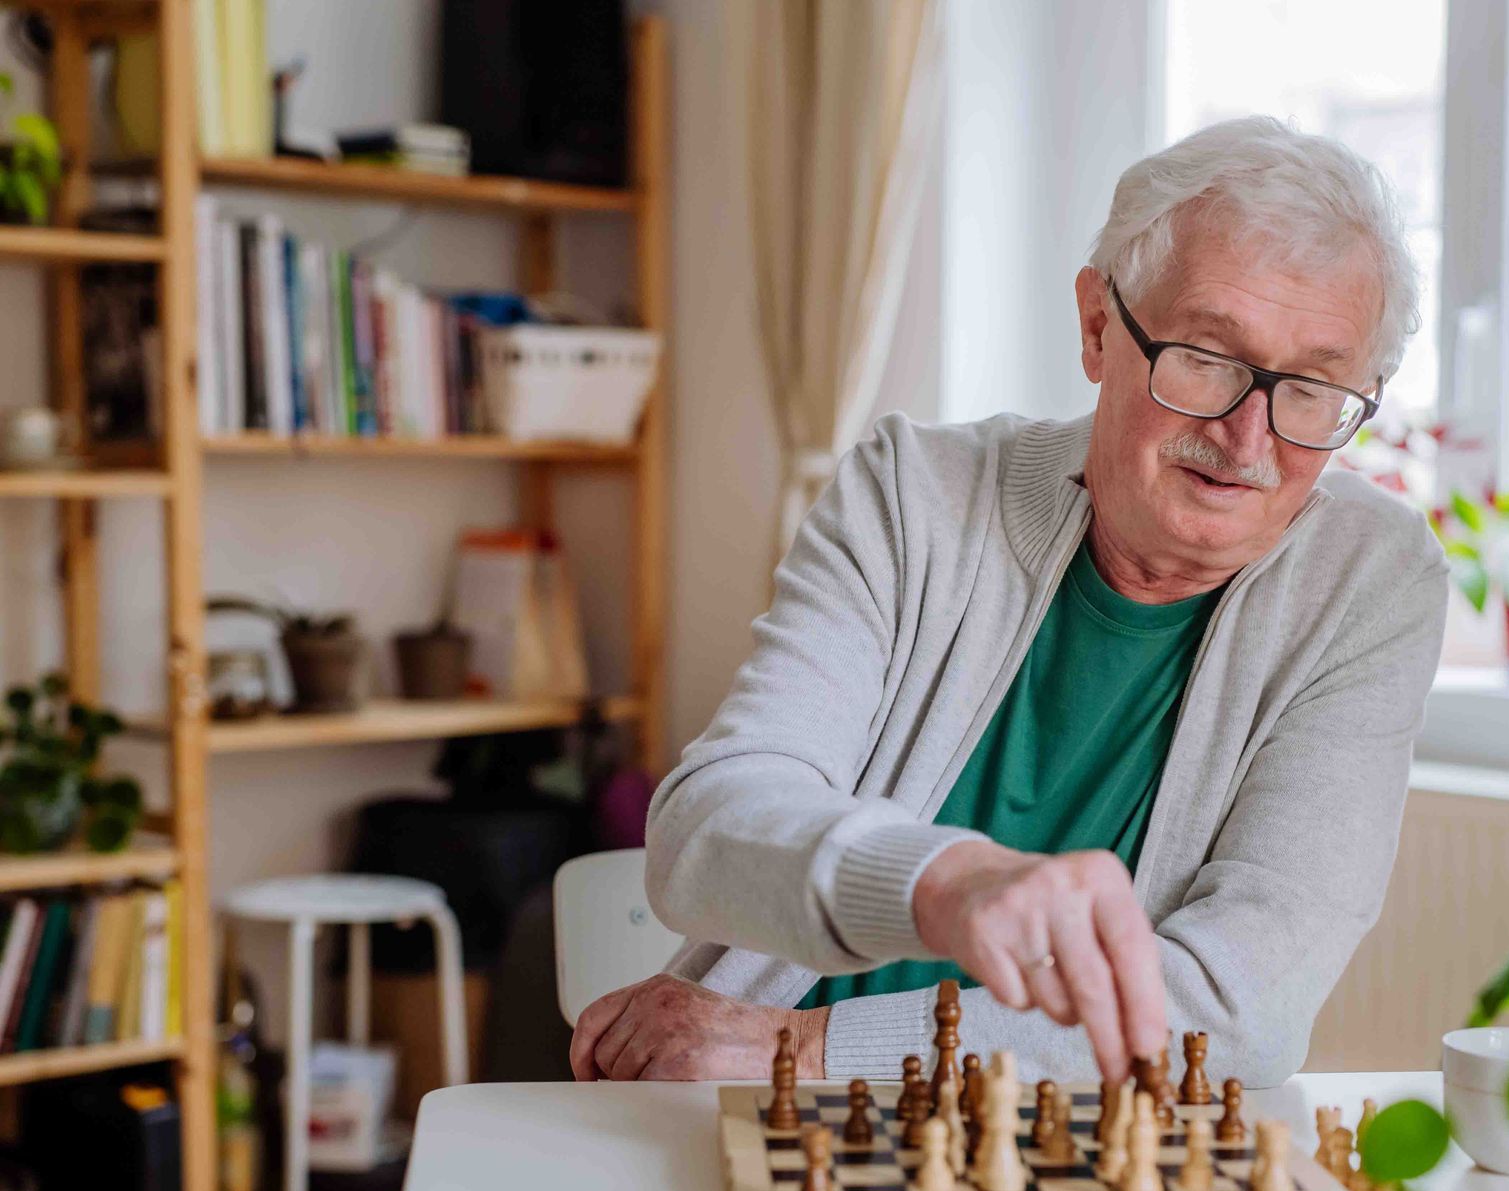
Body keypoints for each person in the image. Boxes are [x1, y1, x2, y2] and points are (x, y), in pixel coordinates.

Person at [570, 116, 1447, 1087]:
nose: (1248, 439)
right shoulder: (917, 493)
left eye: (1313, 389)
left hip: (1034, 1132)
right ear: (1099, 325)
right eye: (1206, 355)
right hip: (758, 1109)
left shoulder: (1370, 575)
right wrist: (942, 882)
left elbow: (1241, 1009)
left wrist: (818, 1047)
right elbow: (708, 827)